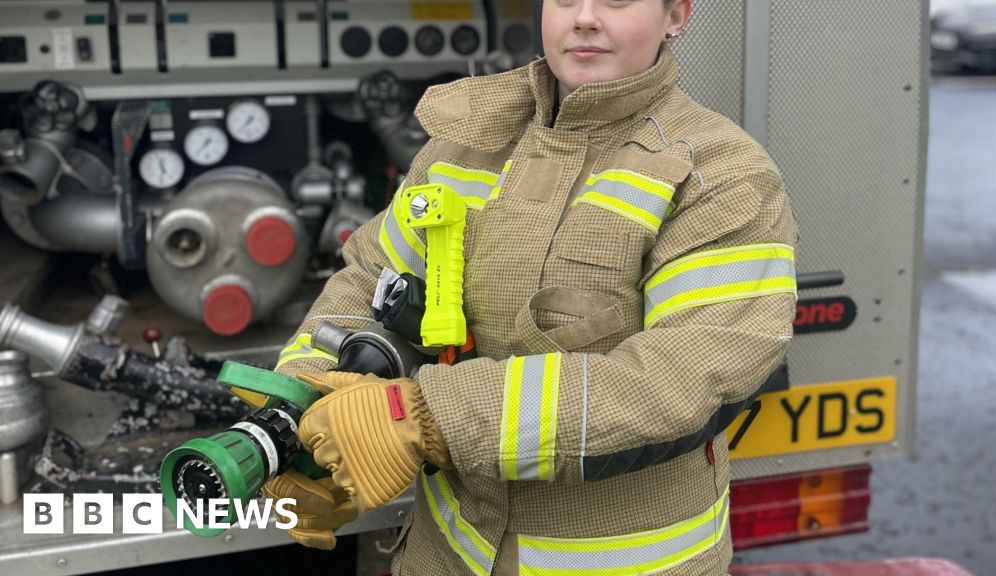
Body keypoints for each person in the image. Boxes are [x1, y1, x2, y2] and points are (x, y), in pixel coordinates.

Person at [264, 0, 798, 574]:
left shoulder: (720, 175)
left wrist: (430, 417)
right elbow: (372, 278)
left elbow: (680, 377)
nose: (585, 17)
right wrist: (299, 407)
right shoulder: (466, 143)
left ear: (677, 14)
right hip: (444, 558)